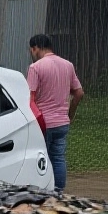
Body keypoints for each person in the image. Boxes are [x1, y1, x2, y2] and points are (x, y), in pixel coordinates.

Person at [27, 34, 83, 193]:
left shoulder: (36, 67)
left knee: (38, 158)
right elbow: (79, 93)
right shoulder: (68, 65)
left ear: (35, 48)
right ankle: (58, 192)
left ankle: (38, 191)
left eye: (32, 50)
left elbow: (30, 99)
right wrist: (70, 115)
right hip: (61, 123)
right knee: (58, 159)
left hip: (43, 123)